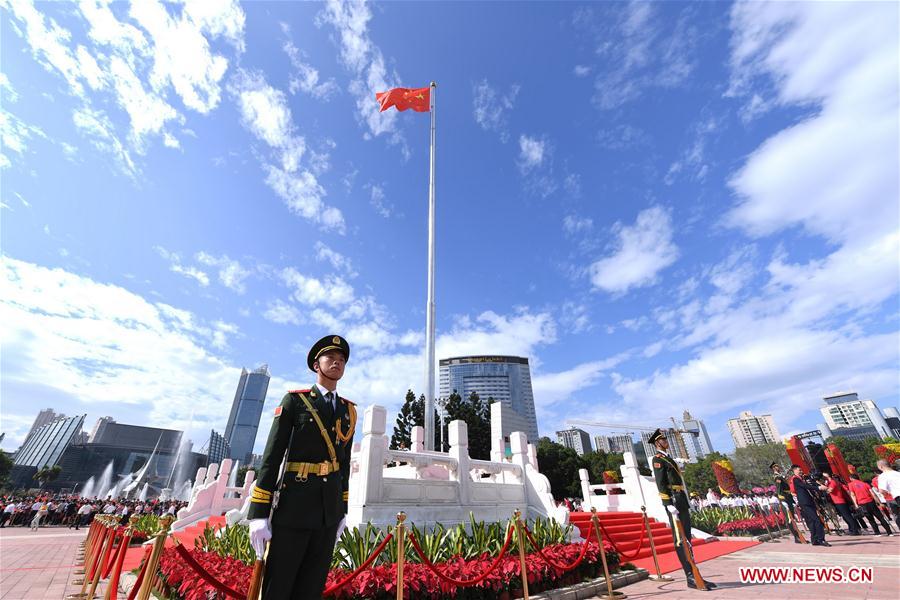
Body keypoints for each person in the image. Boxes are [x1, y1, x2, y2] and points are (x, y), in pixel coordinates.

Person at [248, 335, 357, 600]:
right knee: (279, 585)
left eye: (341, 360)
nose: (337, 363)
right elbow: (272, 458)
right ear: (316, 365)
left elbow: (342, 466)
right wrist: (259, 513)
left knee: (311, 587)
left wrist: (341, 510)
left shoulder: (348, 411)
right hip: (294, 507)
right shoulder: (294, 401)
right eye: (331, 358)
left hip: (327, 513)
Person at [650, 428, 717, 591]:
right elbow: (660, 483)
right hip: (673, 500)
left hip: (681, 499)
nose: (666, 442)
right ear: (657, 443)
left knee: (687, 538)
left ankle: (695, 574)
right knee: (680, 540)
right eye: (663, 440)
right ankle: (690, 576)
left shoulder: (668, 458)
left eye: (666, 439)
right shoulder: (657, 459)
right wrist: (668, 504)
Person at [790, 465, 829, 546]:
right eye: (799, 470)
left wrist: (818, 485)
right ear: (794, 471)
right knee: (817, 520)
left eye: (801, 470)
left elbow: (810, 484)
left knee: (812, 521)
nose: (801, 471)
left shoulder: (802, 478)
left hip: (809, 501)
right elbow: (805, 486)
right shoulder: (795, 479)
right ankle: (821, 539)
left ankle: (814, 540)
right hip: (805, 502)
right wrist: (818, 488)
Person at [875, 459, 900, 531]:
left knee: (897, 516)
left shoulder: (883, 476)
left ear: (881, 466)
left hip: (897, 495)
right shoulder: (897, 473)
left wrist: (886, 494)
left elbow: (881, 490)